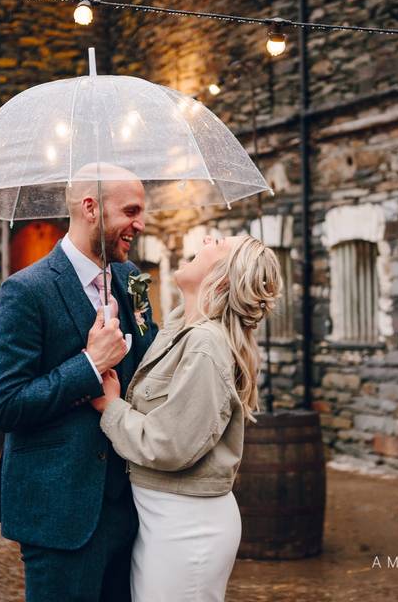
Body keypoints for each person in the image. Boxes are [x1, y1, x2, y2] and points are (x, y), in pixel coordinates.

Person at [0, 163, 159, 602]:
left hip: (127, 506)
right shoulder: (25, 291)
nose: (140, 224)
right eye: (131, 211)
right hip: (59, 511)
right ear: (90, 209)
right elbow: (6, 404)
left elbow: (152, 366)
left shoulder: (132, 279)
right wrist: (88, 363)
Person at [91, 233, 283, 601]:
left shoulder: (206, 345)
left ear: (223, 277)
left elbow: (171, 443)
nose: (209, 236)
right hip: (163, 520)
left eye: (219, 242)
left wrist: (110, 407)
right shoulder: (180, 329)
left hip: (187, 528)